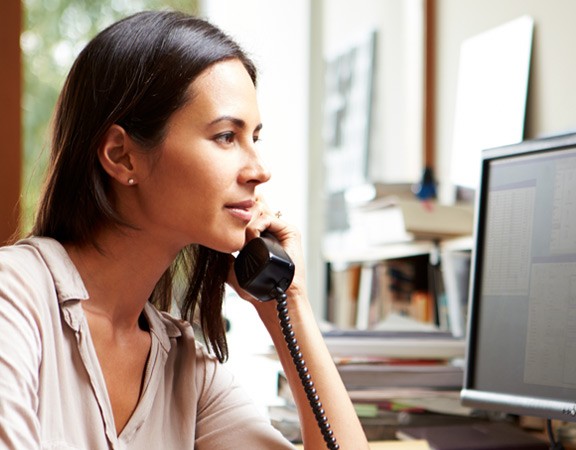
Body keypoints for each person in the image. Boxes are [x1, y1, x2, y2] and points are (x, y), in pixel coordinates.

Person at [0, 10, 368, 450]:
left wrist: (290, 304)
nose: (259, 170)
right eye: (226, 136)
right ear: (123, 156)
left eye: (255, 137)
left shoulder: (183, 369)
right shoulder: (14, 300)